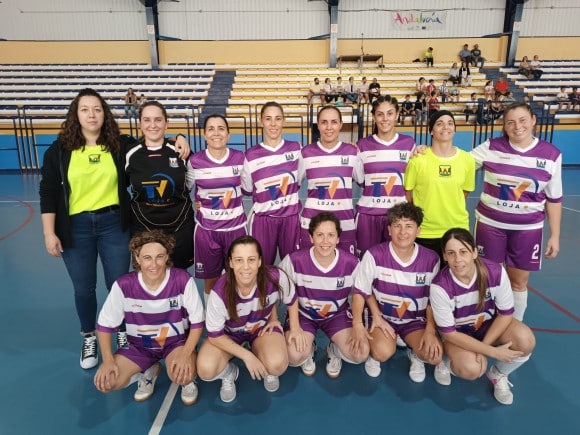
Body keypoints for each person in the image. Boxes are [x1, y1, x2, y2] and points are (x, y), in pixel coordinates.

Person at [40, 88, 133, 369]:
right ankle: (89, 335)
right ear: (76, 115)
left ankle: (123, 331)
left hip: (114, 224)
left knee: (118, 284)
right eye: (85, 109)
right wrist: (49, 232)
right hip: (76, 227)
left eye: (97, 109)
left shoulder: (120, 145)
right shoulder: (59, 150)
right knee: (83, 287)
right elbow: (48, 192)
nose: (92, 115)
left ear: (105, 114)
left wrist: (179, 139)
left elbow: (151, 145)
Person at [471, 103, 562, 321]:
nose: (517, 126)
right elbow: (458, 163)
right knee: (487, 279)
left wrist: (555, 236)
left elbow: (554, 198)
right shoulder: (491, 147)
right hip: (490, 226)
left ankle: (514, 325)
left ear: (533, 120)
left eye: (522, 120)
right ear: (504, 126)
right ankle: (486, 323)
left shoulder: (551, 155)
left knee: (519, 282)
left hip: (527, 230)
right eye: (510, 122)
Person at [93, 230, 204, 405]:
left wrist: (185, 355)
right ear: (137, 258)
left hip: (175, 343)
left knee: (183, 376)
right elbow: (104, 325)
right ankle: (148, 371)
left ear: (166, 256)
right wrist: (107, 361)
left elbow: (198, 322)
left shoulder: (182, 280)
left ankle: (188, 380)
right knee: (108, 383)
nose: (154, 264)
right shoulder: (124, 285)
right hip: (139, 347)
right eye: (147, 258)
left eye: (159, 257)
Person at [430, 228, 536, 405]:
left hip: (487, 327)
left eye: (463, 252)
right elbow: (450, 334)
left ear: (474, 252)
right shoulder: (440, 286)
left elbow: (505, 314)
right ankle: (445, 362)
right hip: (457, 335)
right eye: (451, 253)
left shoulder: (495, 272)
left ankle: (498, 374)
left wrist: (483, 347)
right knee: (472, 369)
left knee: (526, 340)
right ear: (445, 256)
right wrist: (492, 352)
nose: (458, 259)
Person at [352, 202, 448, 383]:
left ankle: (415, 353)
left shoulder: (431, 259)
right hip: (383, 318)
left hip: (415, 321)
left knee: (434, 356)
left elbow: (433, 300)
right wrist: (362, 321)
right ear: (389, 230)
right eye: (397, 225)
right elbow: (360, 290)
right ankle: (377, 352)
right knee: (382, 352)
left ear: (418, 230)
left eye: (409, 226)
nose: (403, 232)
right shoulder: (374, 255)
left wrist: (430, 329)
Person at [196, 235, 298, 402]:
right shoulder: (220, 292)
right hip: (230, 334)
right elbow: (215, 335)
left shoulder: (275, 277)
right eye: (239, 260)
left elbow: (292, 299)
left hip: (261, 330)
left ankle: (265, 361)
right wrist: (247, 357)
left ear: (259, 261)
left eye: (251, 259)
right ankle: (229, 372)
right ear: (230, 263)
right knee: (206, 369)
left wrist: (294, 327)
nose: (245, 266)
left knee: (277, 365)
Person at [279, 212, 369, 378]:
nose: (325, 241)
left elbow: (363, 292)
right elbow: (274, 289)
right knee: (293, 356)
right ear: (311, 237)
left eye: (331, 235)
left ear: (338, 238)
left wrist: (358, 323)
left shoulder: (351, 263)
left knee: (360, 353)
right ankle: (308, 349)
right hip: (304, 315)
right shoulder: (294, 261)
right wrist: (292, 326)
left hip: (337, 315)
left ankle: (334, 349)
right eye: (320, 235)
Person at [125, 101, 195, 269]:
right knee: (149, 275)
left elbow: (190, 183)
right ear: (140, 124)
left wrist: (180, 137)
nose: (153, 125)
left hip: (180, 228)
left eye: (158, 120)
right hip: (143, 228)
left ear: (166, 123)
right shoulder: (130, 154)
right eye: (147, 120)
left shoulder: (181, 151)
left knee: (179, 276)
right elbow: (122, 185)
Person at [186, 114, 247, 302]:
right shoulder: (195, 161)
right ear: (204, 135)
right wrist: (196, 203)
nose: (216, 133)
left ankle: (235, 315)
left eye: (221, 128)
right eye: (211, 129)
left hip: (236, 229)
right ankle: (212, 317)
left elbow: (249, 188)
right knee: (211, 282)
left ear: (228, 134)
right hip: (207, 231)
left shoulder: (240, 158)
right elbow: (184, 189)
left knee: (237, 279)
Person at [404, 110, 475, 260]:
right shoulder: (418, 159)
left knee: (456, 273)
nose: (445, 127)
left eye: (450, 123)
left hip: (457, 229)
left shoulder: (467, 159)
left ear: (455, 129)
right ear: (431, 130)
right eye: (439, 124)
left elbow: (465, 192)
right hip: (426, 231)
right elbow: (408, 194)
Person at [241, 101, 301, 265]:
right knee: (262, 268)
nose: (273, 124)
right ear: (261, 122)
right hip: (263, 221)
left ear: (283, 121)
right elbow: (247, 188)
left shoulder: (297, 149)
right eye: (268, 119)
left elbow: (300, 178)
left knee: (292, 267)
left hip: (290, 219)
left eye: (278, 118)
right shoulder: (250, 156)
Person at [356, 95, 416, 256]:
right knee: (366, 261)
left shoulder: (409, 144)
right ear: (374, 117)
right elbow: (361, 181)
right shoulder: (362, 146)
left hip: (399, 217)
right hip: (368, 215)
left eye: (389, 113)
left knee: (395, 261)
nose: (385, 119)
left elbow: (412, 181)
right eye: (380, 114)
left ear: (397, 115)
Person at [298, 106, 360, 254]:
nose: (329, 127)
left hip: (344, 224)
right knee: (309, 265)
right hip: (312, 224)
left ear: (340, 124)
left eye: (334, 122)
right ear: (318, 125)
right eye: (324, 122)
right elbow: (294, 184)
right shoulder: (305, 153)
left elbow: (364, 180)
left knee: (346, 266)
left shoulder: (353, 152)